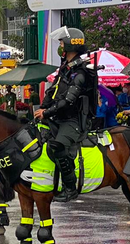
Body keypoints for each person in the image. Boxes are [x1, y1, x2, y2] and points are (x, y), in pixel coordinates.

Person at [34, 27, 95, 202]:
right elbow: (53, 92)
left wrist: (47, 112)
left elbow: (68, 101)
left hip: (73, 121)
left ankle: (70, 187)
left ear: (69, 45)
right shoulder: (66, 68)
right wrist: (40, 110)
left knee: (57, 146)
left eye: (61, 43)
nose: (59, 46)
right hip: (58, 117)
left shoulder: (80, 72)